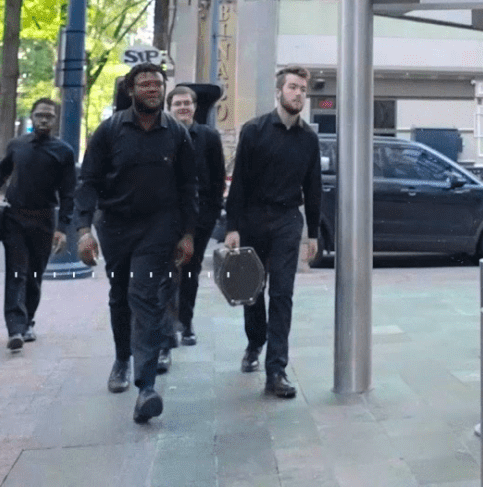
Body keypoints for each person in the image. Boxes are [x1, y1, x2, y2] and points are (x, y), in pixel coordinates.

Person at [75, 63, 198, 424]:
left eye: (157, 84)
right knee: (119, 295)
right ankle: (121, 359)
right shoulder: (110, 131)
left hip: (158, 228)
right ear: (131, 90)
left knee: (144, 295)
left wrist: (188, 234)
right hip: (115, 226)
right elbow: (88, 183)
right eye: (144, 84)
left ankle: (146, 388)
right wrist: (83, 230)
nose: (152, 89)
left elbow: (190, 188)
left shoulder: (176, 133)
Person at [224, 65, 321, 399]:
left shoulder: (309, 138)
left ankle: (276, 369)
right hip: (252, 218)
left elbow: (314, 187)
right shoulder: (254, 131)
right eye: (293, 87)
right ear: (279, 91)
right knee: (252, 290)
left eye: (303, 89)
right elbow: (239, 183)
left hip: (286, 221)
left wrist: (313, 234)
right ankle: (254, 343)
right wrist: (233, 226)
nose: (299, 94)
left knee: (282, 294)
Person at [0, 98, 75, 351]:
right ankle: (15, 328)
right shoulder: (17, 145)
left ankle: (28, 323)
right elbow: (1, 170)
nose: (43, 120)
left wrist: (62, 229)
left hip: (44, 219)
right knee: (16, 273)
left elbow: (69, 194)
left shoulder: (64, 152)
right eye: (39, 115)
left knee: (34, 276)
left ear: (55, 120)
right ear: (32, 117)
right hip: (14, 217)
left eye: (48, 116)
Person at [164, 85, 226, 350]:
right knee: (167, 271)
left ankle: (185, 322)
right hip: (167, 217)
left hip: (200, 218)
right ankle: (167, 323)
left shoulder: (209, 137)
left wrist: (210, 215)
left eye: (187, 103)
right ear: (170, 108)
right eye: (177, 104)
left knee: (190, 271)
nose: (183, 108)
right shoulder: (162, 135)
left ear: (194, 106)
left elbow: (217, 179)